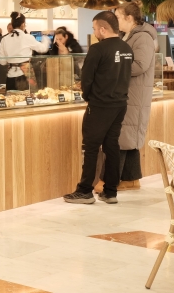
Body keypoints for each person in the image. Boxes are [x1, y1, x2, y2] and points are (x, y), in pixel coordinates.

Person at [64, 11, 133, 205]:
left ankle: (85, 190)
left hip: (100, 104)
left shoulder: (97, 49)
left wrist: (88, 97)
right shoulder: (126, 48)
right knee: (112, 146)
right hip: (120, 104)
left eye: (95, 28)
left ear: (103, 29)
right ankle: (110, 191)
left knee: (91, 147)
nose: (94, 32)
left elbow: (86, 79)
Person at [112, 2, 157, 192]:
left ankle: (112, 180)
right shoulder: (129, 36)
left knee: (123, 136)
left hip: (135, 94)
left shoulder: (143, 37)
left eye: (118, 17)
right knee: (128, 135)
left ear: (129, 18)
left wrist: (113, 68)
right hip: (128, 92)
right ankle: (131, 179)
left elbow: (140, 65)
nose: (115, 21)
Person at [0, 12, 50, 90]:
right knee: (26, 97)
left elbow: (2, 62)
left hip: (10, 76)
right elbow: (43, 48)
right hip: (25, 76)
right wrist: (45, 36)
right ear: (23, 24)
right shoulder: (27, 37)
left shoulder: (4, 39)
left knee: (11, 97)